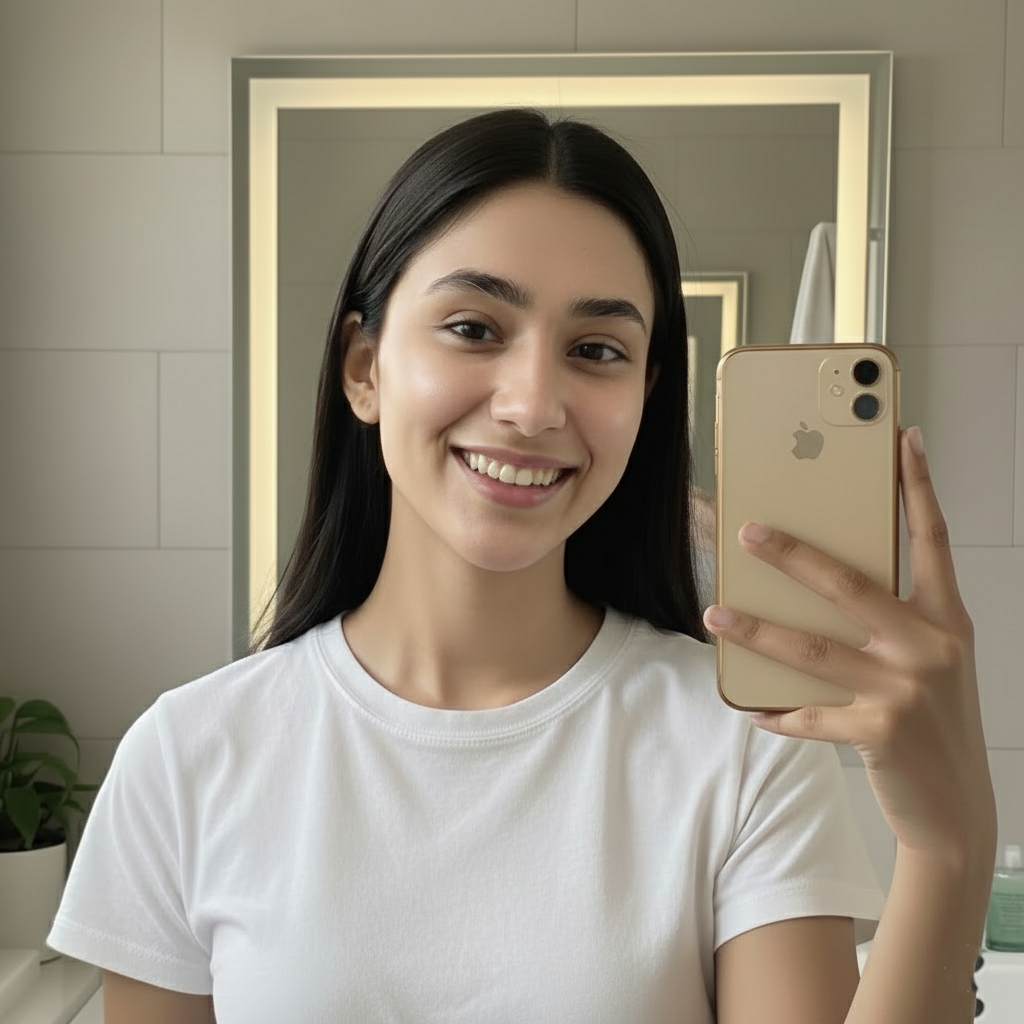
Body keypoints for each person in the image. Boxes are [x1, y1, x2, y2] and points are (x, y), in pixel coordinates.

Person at [47, 109, 996, 1024]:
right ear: (364, 366)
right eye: (473, 328)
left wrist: (949, 847)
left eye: (596, 350)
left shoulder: (740, 754)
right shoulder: (186, 758)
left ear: (644, 397)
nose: (535, 403)